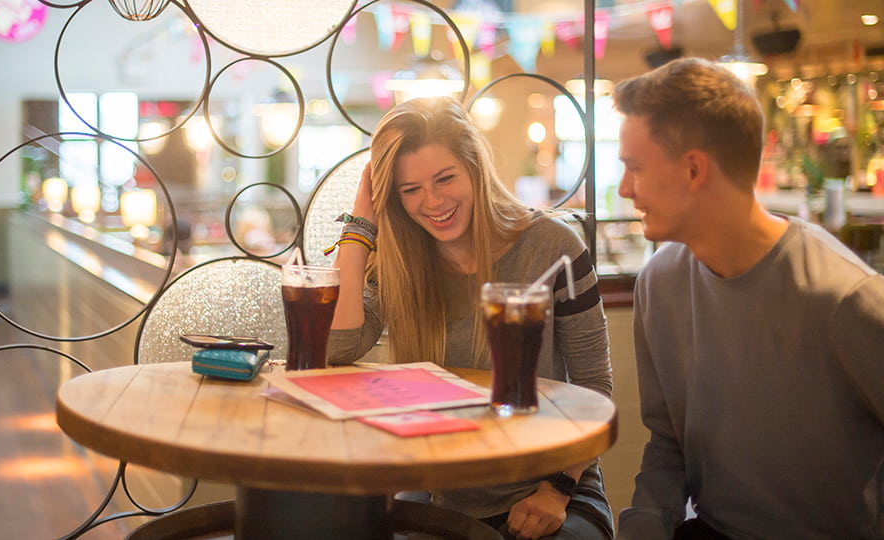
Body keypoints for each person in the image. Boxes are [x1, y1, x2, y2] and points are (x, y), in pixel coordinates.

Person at [612, 57, 884, 539]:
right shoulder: (659, 283)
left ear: (694, 170)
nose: (624, 188)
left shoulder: (846, 297)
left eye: (634, 167)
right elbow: (668, 444)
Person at [325, 96, 614, 540]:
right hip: (442, 491)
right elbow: (338, 347)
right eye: (411, 189)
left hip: (552, 484)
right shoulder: (398, 264)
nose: (433, 201)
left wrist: (555, 491)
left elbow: (595, 387)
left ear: (475, 167)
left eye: (445, 178)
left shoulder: (553, 247)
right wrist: (360, 225)